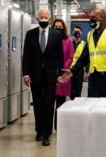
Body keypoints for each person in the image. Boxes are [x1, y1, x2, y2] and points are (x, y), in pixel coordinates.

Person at [58, 8, 106, 97]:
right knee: (93, 106)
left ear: (101, 17)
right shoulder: (90, 34)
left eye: (93, 17)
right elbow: (85, 57)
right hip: (94, 77)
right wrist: (73, 70)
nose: (90, 20)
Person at [22, 8, 64, 146]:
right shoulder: (30, 34)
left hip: (51, 76)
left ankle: (47, 134)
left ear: (50, 19)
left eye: (46, 17)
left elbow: (60, 57)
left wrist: (60, 74)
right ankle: (39, 130)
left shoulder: (56, 35)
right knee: (38, 105)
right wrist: (26, 73)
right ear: (37, 19)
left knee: (48, 104)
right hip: (35, 75)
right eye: (41, 17)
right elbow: (26, 56)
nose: (44, 19)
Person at [51, 18, 74, 131]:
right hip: (50, 74)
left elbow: (70, 57)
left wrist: (61, 68)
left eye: (60, 27)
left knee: (60, 103)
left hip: (62, 75)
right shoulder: (49, 40)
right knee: (49, 103)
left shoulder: (68, 41)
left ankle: (58, 127)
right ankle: (47, 129)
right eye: (56, 26)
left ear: (63, 28)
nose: (58, 28)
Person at [70, 26, 89, 100]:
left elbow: (87, 59)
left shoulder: (84, 44)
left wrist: (86, 71)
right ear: (72, 32)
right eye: (75, 31)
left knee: (78, 90)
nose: (77, 32)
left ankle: (76, 106)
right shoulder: (69, 43)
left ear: (81, 33)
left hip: (80, 70)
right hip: (70, 69)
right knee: (70, 91)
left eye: (78, 31)